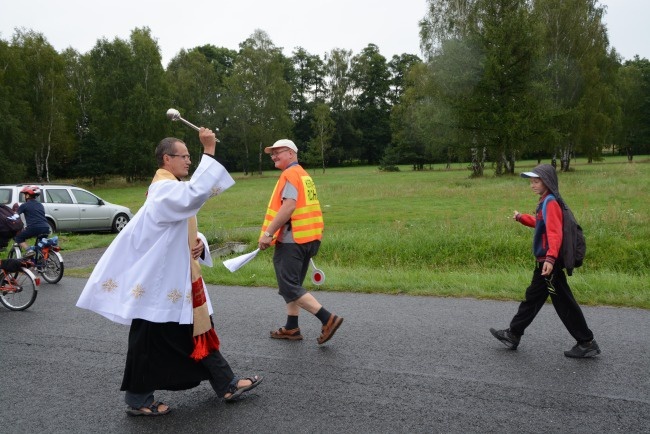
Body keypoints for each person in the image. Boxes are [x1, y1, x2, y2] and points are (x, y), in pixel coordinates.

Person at [77, 128, 263, 416]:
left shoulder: (169, 187)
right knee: (151, 337)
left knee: (197, 329)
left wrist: (199, 241)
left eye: (191, 156)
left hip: (175, 279)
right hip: (159, 282)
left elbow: (180, 222)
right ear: (167, 158)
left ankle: (225, 383)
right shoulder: (164, 189)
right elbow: (193, 195)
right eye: (184, 156)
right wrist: (209, 151)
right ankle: (138, 400)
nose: (189, 161)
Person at [489, 164, 601, 358]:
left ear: (547, 181)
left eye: (536, 181)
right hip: (546, 262)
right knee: (533, 297)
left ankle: (586, 341)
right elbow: (541, 223)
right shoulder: (545, 201)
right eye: (531, 181)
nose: (532, 185)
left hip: (549, 263)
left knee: (563, 302)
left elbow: (555, 233)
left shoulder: (550, 202)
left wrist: (549, 259)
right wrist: (522, 218)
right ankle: (514, 333)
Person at [258, 139, 343, 345]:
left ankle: (327, 319)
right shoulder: (303, 175)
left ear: (290, 153)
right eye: (272, 154)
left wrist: (268, 233)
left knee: (288, 286)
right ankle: (291, 327)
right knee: (293, 285)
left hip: (292, 240)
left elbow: (288, 207)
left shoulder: (289, 174)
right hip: (308, 238)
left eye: (277, 152)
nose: (273, 156)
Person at [14, 186, 50, 256]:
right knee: (39, 247)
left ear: (27, 195)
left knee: (18, 237)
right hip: (46, 228)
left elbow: (15, 216)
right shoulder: (40, 205)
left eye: (25, 194)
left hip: (34, 228)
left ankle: (29, 250)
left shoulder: (24, 205)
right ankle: (43, 260)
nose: (24, 196)